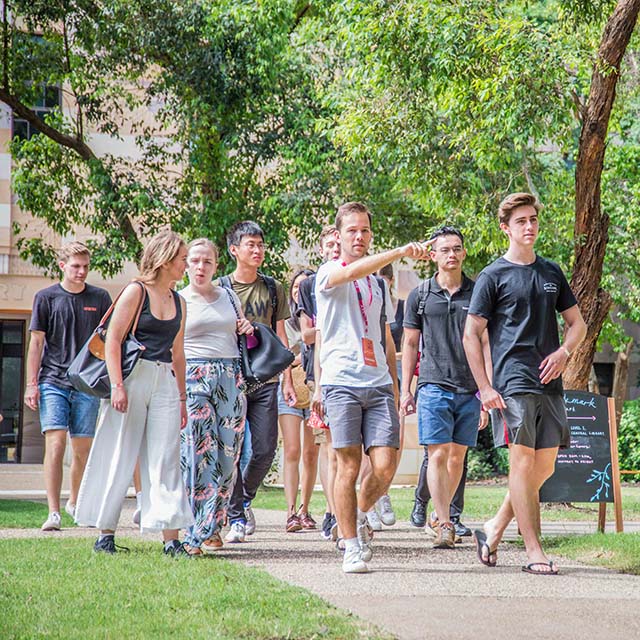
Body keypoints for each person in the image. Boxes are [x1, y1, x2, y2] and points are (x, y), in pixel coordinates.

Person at [463, 193, 586, 574]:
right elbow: (471, 334)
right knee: (522, 461)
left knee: (544, 466)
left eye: (533, 219)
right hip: (513, 379)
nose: (529, 226)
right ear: (506, 228)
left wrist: (565, 352)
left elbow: (577, 324)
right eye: (521, 221)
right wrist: (484, 387)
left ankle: (495, 525)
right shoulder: (492, 275)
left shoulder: (550, 272)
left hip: (549, 379)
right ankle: (534, 551)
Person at [313, 201, 428, 573]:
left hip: (378, 381)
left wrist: (396, 386)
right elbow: (350, 273)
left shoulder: (378, 284)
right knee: (347, 464)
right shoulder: (328, 272)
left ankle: (360, 514)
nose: (359, 236)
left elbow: (385, 337)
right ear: (339, 235)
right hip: (341, 381)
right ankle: (349, 545)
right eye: (352, 231)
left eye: (364, 230)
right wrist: (398, 252)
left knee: (385, 465)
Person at [75, 230, 194, 556]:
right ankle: (105, 534)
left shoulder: (180, 301)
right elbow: (112, 340)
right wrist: (117, 386)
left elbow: (178, 354)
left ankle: (172, 540)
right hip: (131, 377)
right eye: (183, 258)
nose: (186, 264)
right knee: (119, 452)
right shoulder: (135, 291)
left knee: (167, 458)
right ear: (167, 259)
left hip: (164, 380)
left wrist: (182, 398)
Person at [401, 226, 489, 549]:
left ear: (464, 253)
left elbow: (485, 342)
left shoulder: (479, 293)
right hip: (432, 385)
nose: (451, 254)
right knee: (436, 453)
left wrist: (486, 391)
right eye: (445, 249)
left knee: (457, 459)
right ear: (433, 255)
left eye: (457, 249)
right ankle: (444, 522)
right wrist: (405, 390)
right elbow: (410, 343)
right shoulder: (420, 295)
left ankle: (440, 518)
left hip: (469, 388)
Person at [24, 242, 112, 531]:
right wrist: (31, 384)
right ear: (62, 265)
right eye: (76, 266)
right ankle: (53, 511)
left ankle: (74, 502)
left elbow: (109, 341)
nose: (82, 271)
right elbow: (36, 343)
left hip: (87, 384)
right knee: (56, 442)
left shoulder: (100, 298)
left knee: (82, 448)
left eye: (86, 266)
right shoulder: (45, 298)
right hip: (53, 381)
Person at [219, 221, 296, 543]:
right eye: (250, 245)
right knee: (231, 450)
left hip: (265, 378)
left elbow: (281, 336)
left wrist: (288, 379)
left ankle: (242, 499)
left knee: (264, 450)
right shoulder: (219, 288)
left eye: (261, 245)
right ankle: (236, 515)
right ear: (234, 249)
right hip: (230, 377)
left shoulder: (273, 287)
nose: (257, 250)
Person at [179, 238, 253, 555]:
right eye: (195, 260)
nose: (200, 267)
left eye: (207, 261)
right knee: (197, 452)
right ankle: (193, 530)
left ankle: (213, 525)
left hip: (230, 376)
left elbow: (240, 334)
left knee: (227, 454)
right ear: (185, 264)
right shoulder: (179, 299)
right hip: (193, 376)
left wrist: (247, 327)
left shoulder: (229, 297)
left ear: (216, 265)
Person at [297, 225, 341, 540]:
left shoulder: (363, 279)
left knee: (349, 448)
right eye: (330, 244)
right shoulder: (310, 285)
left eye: (339, 243)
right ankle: (331, 510)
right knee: (327, 447)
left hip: (355, 374)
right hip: (320, 374)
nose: (336, 248)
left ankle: (345, 507)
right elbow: (307, 335)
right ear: (322, 249)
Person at [279, 269, 319, 532]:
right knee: (292, 450)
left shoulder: (317, 317)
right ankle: (290, 511)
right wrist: (290, 372)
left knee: (311, 452)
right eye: (295, 287)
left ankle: (306, 509)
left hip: (314, 385)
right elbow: (282, 354)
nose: (299, 291)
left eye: (303, 287)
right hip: (289, 387)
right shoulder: (286, 321)